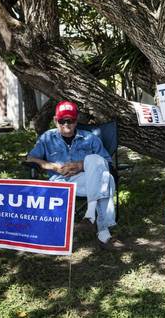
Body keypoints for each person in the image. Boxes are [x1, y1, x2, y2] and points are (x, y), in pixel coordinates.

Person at [27, 100, 123, 250]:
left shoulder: (90, 138)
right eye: (61, 120)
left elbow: (107, 163)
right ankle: (103, 233)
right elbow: (30, 158)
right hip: (59, 182)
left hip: (86, 181)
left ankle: (90, 216)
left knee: (98, 164)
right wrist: (51, 165)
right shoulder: (47, 137)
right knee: (106, 180)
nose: (66, 124)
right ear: (55, 120)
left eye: (70, 120)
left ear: (76, 120)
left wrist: (81, 165)